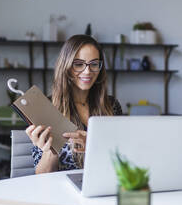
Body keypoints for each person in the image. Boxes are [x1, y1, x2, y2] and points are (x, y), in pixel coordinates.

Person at [25, 35, 122, 174]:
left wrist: (95, 144)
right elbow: (42, 177)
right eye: (78, 64)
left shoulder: (111, 105)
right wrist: (51, 150)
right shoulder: (48, 107)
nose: (87, 71)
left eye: (94, 64)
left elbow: (122, 160)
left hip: (102, 184)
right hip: (62, 190)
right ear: (67, 66)